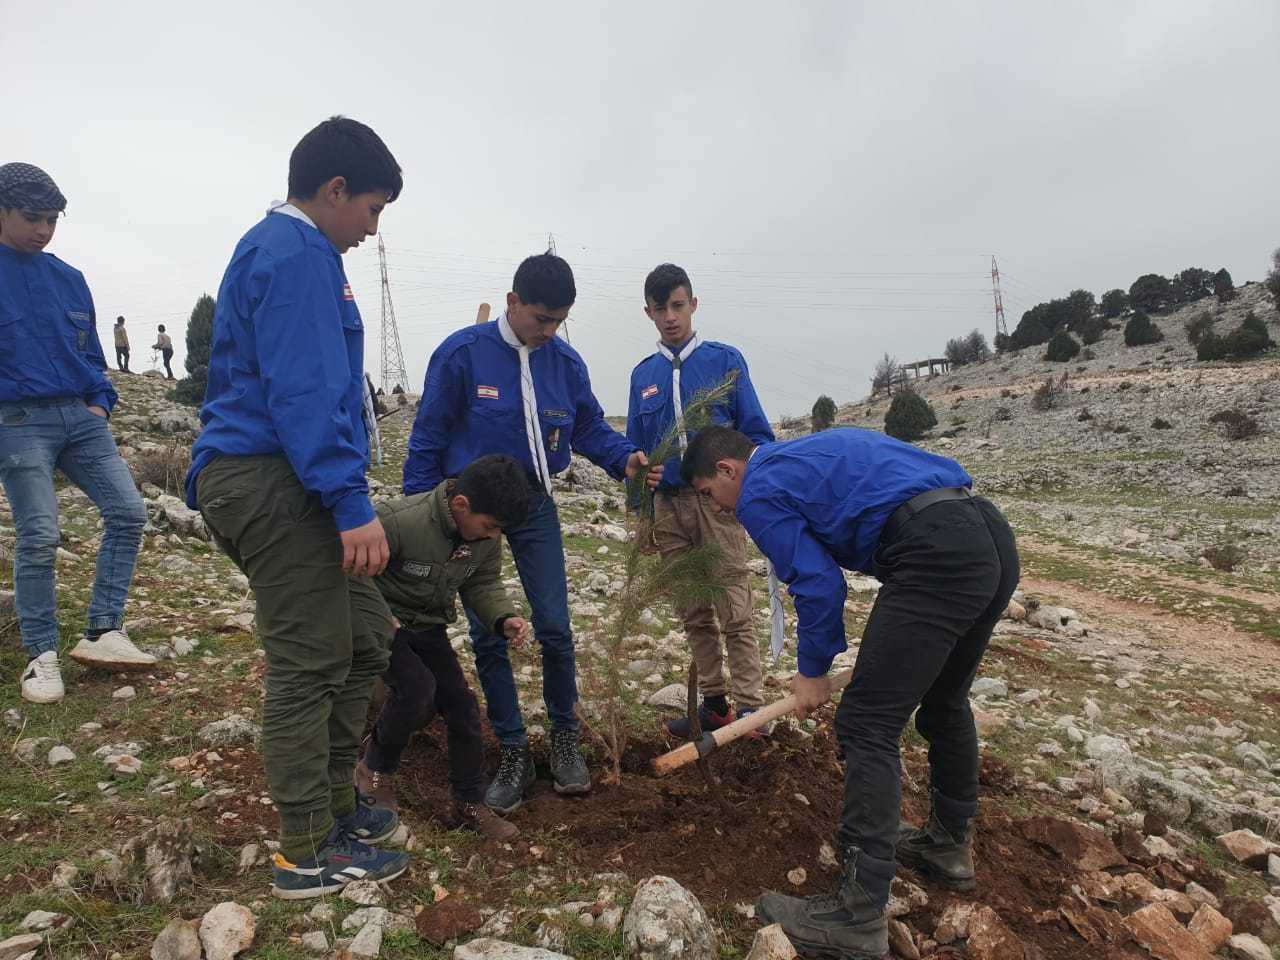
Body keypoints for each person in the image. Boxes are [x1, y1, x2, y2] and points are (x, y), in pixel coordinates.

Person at [681, 426, 1019, 959]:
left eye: (709, 493)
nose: (718, 508)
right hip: (988, 537)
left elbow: (819, 583)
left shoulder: (759, 488)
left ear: (728, 470)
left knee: (866, 723)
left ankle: (857, 915)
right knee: (943, 700)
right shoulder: (801, 456)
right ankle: (947, 846)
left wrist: (812, 669)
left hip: (936, 552)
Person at [185, 117, 409, 899]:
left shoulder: (291, 250)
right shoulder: (297, 253)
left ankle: (336, 803)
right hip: (269, 478)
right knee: (310, 661)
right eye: (372, 210)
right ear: (335, 190)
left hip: (289, 477)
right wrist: (349, 500)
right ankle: (307, 850)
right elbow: (305, 387)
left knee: (367, 638)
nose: (372, 231)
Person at [403, 253, 658, 813]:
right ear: (513, 302)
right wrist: (423, 517)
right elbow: (427, 437)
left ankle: (565, 737)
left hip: (535, 505)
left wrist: (623, 459)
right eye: (542, 319)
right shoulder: (462, 355)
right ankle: (513, 749)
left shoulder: (564, 363)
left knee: (555, 626)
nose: (549, 331)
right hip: (474, 513)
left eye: (559, 321)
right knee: (489, 631)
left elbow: (588, 425)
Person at [0, 163, 154, 705]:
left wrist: (99, 404)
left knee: (129, 513)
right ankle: (41, 657)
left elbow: (90, 354)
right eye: (32, 218)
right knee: (40, 535)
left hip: (81, 419)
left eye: (52, 220)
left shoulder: (69, 277)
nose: (44, 230)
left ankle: (103, 631)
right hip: (17, 423)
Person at [626, 263, 775, 737]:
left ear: (693, 304)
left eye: (677, 305)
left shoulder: (724, 361)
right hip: (668, 509)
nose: (670, 317)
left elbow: (756, 435)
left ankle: (751, 709)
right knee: (694, 612)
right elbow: (635, 453)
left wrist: (752, 495)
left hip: (718, 504)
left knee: (734, 607)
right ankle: (714, 704)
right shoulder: (643, 375)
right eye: (660, 309)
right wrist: (642, 515)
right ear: (648, 313)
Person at [357, 454, 532, 841]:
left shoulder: (484, 539)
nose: (493, 536)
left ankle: (469, 801)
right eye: (490, 526)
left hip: (429, 627)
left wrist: (503, 617)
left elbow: (483, 583)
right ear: (461, 505)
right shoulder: (400, 521)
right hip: (381, 624)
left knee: (463, 707)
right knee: (417, 689)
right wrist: (377, 615)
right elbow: (351, 570)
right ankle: (374, 770)